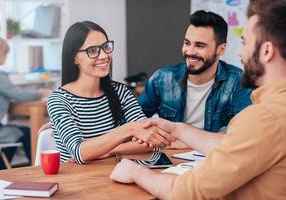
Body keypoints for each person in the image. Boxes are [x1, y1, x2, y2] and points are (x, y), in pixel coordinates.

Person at [110, 0, 286, 199]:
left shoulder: (264, 117)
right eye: (187, 43)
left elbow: (189, 191)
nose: (240, 52)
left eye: (245, 43)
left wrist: (135, 172)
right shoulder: (162, 78)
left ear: (266, 51)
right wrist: (177, 129)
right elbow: (238, 145)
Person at [46, 21, 174, 164]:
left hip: (114, 175)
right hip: (77, 180)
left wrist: (110, 151)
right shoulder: (58, 100)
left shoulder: (120, 92)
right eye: (93, 50)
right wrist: (129, 129)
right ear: (75, 58)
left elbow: (152, 143)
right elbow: (79, 152)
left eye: (106, 47)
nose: (104, 55)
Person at [137, 10, 251, 152]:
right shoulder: (162, 79)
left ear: (221, 50)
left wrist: (187, 142)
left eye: (200, 45)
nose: (190, 51)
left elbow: (244, 135)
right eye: (187, 43)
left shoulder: (238, 81)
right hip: (171, 159)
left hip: (216, 159)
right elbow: (133, 125)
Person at [0, 36, 49, 169]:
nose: (6, 57)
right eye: (5, 54)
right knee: (26, 132)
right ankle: (38, 168)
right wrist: (41, 93)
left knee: (17, 131)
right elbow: (20, 95)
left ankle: (1, 167)